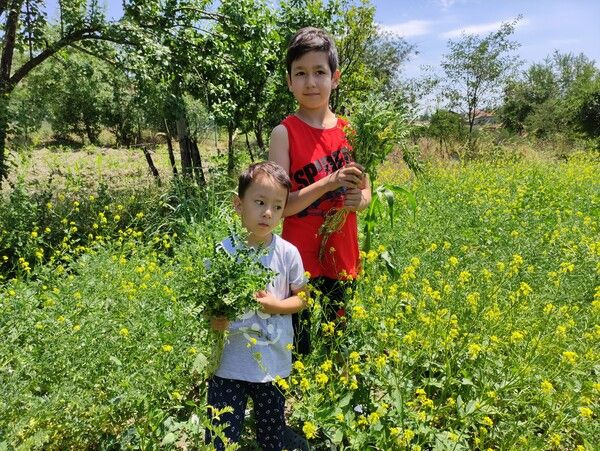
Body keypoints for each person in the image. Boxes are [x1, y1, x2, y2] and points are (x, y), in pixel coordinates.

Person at [269, 27, 371, 355]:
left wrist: (359, 200)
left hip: (342, 254)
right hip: (299, 260)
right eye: (300, 73)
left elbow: (367, 192)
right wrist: (329, 182)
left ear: (335, 77)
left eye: (319, 72)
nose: (310, 82)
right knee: (301, 347)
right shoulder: (283, 134)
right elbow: (280, 206)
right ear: (289, 81)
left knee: (336, 343)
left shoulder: (351, 132)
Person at [206, 161, 307, 451]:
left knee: (272, 436)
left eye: (277, 207)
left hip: (272, 365)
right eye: (260, 202)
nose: (268, 213)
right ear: (238, 204)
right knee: (220, 438)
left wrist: (276, 305)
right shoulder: (223, 251)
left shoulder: (288, 253)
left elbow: (303, 297)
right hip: (229, 364)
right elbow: (208, 303)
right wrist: (214, 318)